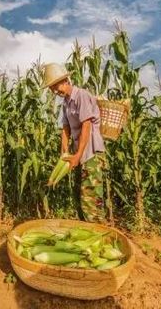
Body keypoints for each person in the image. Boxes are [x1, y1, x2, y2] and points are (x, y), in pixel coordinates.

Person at [42, 63, 107, 223]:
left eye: (54, 86)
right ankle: (86, 233)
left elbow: (87, 126)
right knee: (79, 196)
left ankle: (100, 236)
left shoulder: (82, 96)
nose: (54, 91)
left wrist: (78, 155)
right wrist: (64, 151)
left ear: (64, 80)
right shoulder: (66, 103)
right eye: (51, 88)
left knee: (90, 199)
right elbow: (65, 128)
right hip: (80, 155)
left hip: (91, 154)